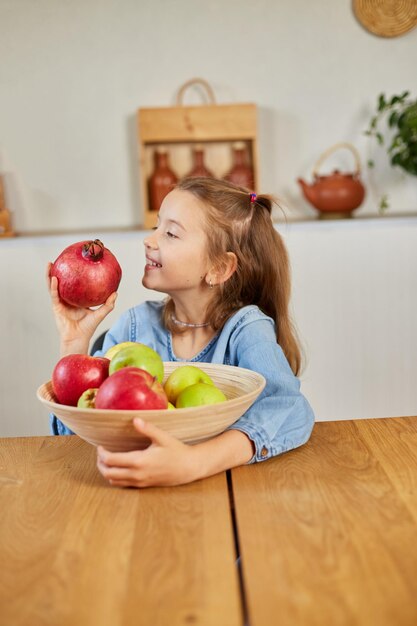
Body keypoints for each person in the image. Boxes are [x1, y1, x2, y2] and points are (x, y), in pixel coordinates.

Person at [47, 177, 315, 488]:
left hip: (230, 494)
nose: (150, 240)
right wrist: (74, 342)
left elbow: (291, 409)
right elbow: (71, 435)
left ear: (218, 268)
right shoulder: (135, 327)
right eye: (157, 225)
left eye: (171, 233)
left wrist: (194, 462)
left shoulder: (245, 330)